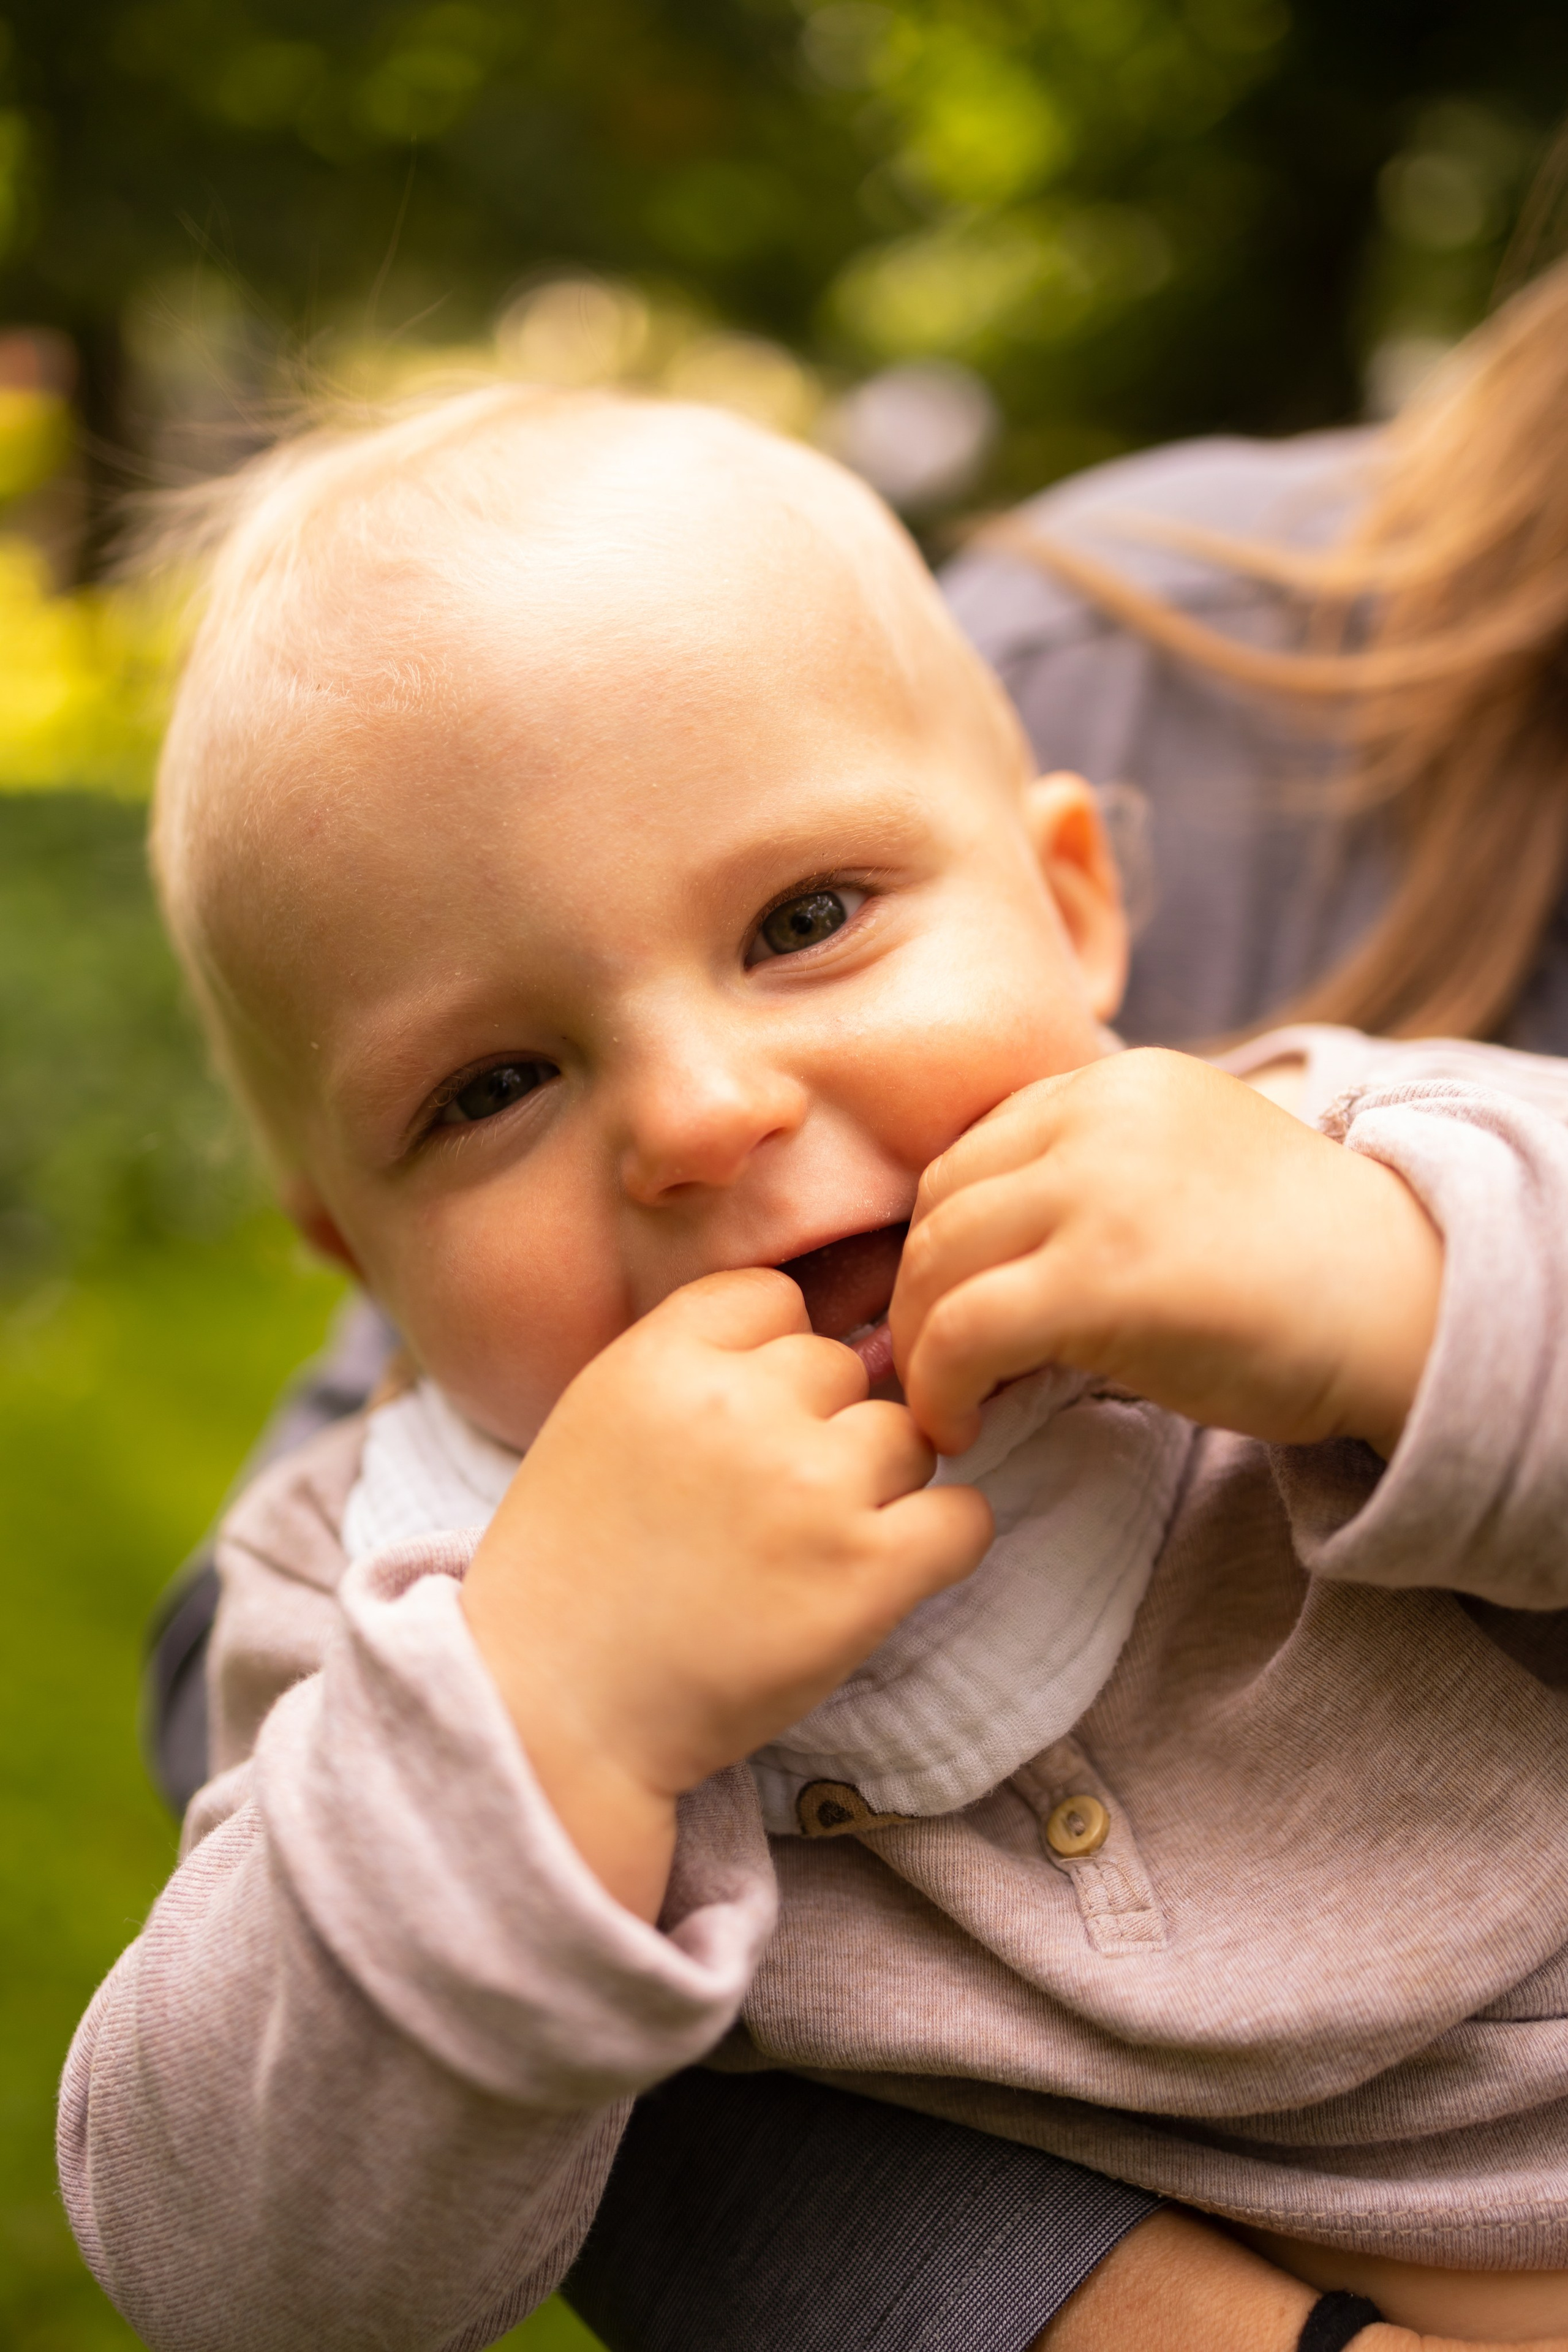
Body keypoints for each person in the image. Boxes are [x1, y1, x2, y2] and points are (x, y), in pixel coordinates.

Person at [73, 385, 1568, 2352]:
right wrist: (552, 1711)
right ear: (364, 1257)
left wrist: (1405, 1300)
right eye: (493, 1087)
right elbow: (235, 2276)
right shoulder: (409, 1600)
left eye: (804, 921)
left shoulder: (1361, 1173)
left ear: (1074, 906)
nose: (703, 1112)